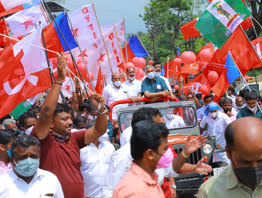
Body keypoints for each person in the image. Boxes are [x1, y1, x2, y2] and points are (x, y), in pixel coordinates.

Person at [30, 55, 108, 198]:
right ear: (51, 124)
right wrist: (59, 79)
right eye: (65, 119)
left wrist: (101, 110)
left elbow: (99, 130)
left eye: (70, 119)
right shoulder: (42, 139)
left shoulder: (74, 138)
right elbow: (47, 112)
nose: (70, 122)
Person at [108, 107, 211, 197]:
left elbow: (171, 168)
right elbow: (111, 191)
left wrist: (186, 154)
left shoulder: (157, 150)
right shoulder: (122, 158)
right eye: (158, 126)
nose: (163, 128)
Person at [198, 117, 262, 198]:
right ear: (228, 153)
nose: (255, 167)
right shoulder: (209, 192)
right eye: (245, 162)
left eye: (261, 160)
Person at [113, 120, 169, 198]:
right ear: (150, 154)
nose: (168, 154)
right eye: (164, 149)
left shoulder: (150, 180)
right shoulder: (136, 192)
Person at [80, 120, 115, 198]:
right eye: (102, 131)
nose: (106, 133)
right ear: (93, 132)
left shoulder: (109, 147)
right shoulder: (82, 149)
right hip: (90, 195)